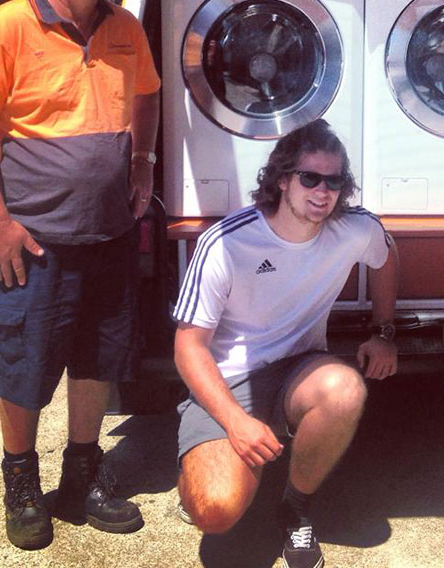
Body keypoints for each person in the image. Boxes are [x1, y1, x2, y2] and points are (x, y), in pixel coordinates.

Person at [0, 0, 160, 550]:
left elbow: (148, 93)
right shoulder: (5, 28)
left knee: (97, 360)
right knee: (23, 362)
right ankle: (21, 481)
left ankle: (82, 476)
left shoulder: (126, 28)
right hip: (32, 239)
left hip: (109, 235)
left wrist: (144, 165)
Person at [173, 118, 399, 568]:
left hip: (300, 369)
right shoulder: (225, 243)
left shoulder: (354, 229)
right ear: (282, 179)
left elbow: (387, 255)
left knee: (346, 388)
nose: (322, 191)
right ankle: (200, 466)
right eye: (309, 177)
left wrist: (384, 331)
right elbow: (188, 347)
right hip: (228, 382)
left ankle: (295, 508)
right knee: (215, 511)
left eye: (334, 181)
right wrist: (236, 421)